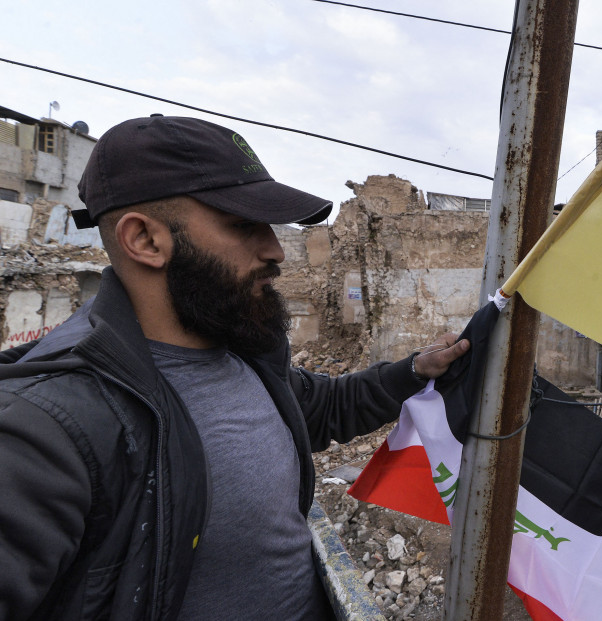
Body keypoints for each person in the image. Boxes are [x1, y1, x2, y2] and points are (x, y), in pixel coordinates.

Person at [0, 115, 469, 621]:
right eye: (244, 225)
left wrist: (416, 370)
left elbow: (320, 407)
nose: (273, 249)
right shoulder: (45, 428)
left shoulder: (237, 347)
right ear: (145, 241)